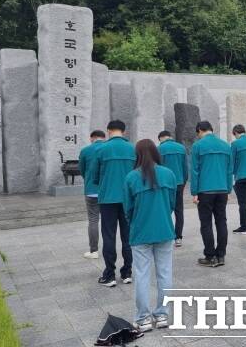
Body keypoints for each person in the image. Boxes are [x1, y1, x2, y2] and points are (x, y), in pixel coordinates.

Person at [122, 139, 177, 333]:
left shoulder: (131, 178)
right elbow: (172, 204)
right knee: (165, 274)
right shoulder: (169, 174)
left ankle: (143, 318)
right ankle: (162, 314)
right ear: (155, 152)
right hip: (165, 230)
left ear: (137, 155)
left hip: (140, 232)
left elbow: (127, 209)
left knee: (142, 276)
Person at [94, 120, 136, 287]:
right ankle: (127, 272)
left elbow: (95, 175)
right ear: (124, 131)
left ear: (109, 130)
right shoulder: (132, 148)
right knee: (128, 237)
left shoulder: (101, 149)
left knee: (109, 236)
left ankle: (109, 274)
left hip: (108, 198)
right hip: (128, 198)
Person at [190, 121, 232, 267]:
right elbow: (229, 170)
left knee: (206, 223)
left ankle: (210, 256)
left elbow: (195, 171)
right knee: (221, 221)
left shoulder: (198, 146)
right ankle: (221, 255)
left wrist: (194, 192)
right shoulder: (226, 146)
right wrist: (228, 189)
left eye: (198, 134)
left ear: (200, 131)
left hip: (205, 190)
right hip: (222, 190)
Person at [78, 130, 106, 259]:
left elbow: (82, 170)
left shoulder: (85, 151)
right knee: (108, 221)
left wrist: (89, 180)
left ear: (91, 138)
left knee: (93, 220)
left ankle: (94, 251)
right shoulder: (108, 148)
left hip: (91, 190)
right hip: (107, 191)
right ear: (104, 138)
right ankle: (108, 248)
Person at [158, 130, 188, 247]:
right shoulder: (181, 148)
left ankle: (166, 234)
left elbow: (158, 168)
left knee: (165, 209)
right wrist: (184, 181)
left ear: (161, 138)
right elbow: (185, 168)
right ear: (170, 137)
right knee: (179, 210)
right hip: (179, 182)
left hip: (164, 183)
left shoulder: (159, 149)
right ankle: (178, 237)